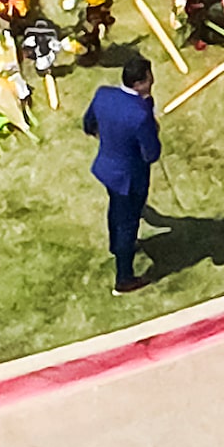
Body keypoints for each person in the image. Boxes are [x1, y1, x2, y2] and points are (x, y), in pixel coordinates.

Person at [83, 62, 160, 294]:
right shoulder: (140, 114)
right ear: (139, 83)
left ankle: (116, 246)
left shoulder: (103, 94)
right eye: (149, 77)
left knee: (115, 210)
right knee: (128, 222)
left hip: (108, 169)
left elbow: (88, 124)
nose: (152, 80)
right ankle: (124, 278)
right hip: (130, 177)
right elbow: (152, 153)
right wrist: (152, 127)